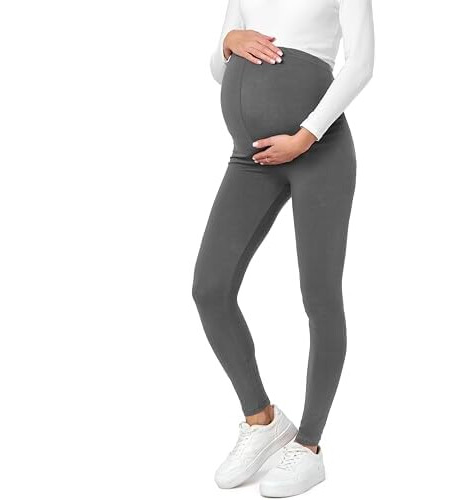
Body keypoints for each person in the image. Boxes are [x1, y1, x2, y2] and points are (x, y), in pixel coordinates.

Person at [192, 0, 374, 496]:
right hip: (250, 158)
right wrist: (228, 44)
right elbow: (217, 69)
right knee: (210, 289)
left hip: (319, 152)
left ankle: (308, 447)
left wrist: (306, 134)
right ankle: (262, 421)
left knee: (319, 296)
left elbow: (360, 64)